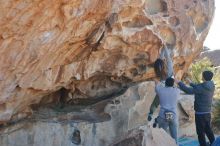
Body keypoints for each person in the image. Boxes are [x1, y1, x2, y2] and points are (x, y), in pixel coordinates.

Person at [176, 71, 215, 146]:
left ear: (203, 77)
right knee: (208, 130)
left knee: (200, 132)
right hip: (207, 113)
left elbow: (188, 90)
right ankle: (214, 143)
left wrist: (179, 82)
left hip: (200, 114)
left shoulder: (202, 87)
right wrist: (190, 83)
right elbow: (199, 87)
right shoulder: (211, 85)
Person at [148, 45, 173, 121]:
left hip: (161, 89)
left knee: (155, 103)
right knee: (168, 106)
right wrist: (165, 46)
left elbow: (160, 59)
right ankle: (167, 120)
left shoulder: (159, 71)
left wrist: (162, 49)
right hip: (169, 90)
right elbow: (168, 57)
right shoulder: (169, 70)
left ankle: (151, 113)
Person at [154, 77, 181, 143]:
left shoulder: (160, 90)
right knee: (174, 136)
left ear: (165, 83)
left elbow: (156, 84)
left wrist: (157, 81)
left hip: (163, 114)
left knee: (162, 136)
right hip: (173, 115)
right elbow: (178, 86)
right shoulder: (177, 91)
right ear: (173, 84)